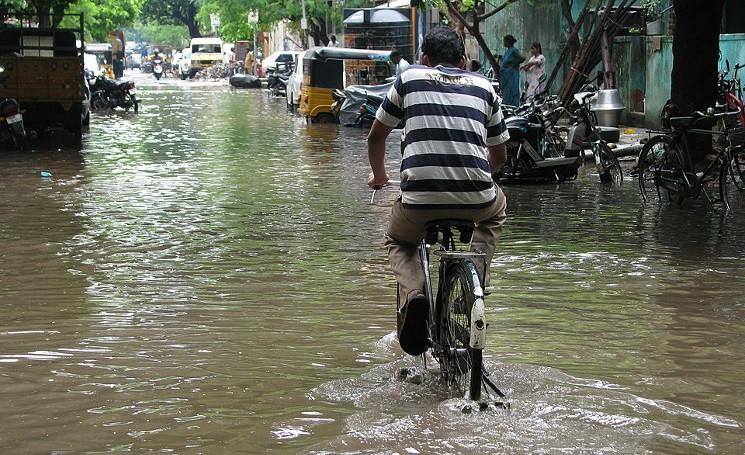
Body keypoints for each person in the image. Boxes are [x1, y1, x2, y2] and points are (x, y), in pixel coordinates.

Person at [367, 26, 509, 356]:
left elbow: (376, 137)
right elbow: (500, 155)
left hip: (419, 200)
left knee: (399, 241)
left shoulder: (409, 79)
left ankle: (415, 294)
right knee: (496, 210)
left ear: (424, 59)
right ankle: (474, 280)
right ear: (463, 61)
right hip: (476, 196)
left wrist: (378, 176)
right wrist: (472, 176)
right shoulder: (485, 87)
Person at [499, 34, 524, 107]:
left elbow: (522, 58)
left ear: (508, 41)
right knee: (506, 94)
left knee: (512, 93)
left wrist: (513, 64)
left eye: (505, 41)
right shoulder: (507, 51)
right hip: (505, 77)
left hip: (511, 76)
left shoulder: (514, 50)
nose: (504, 43)